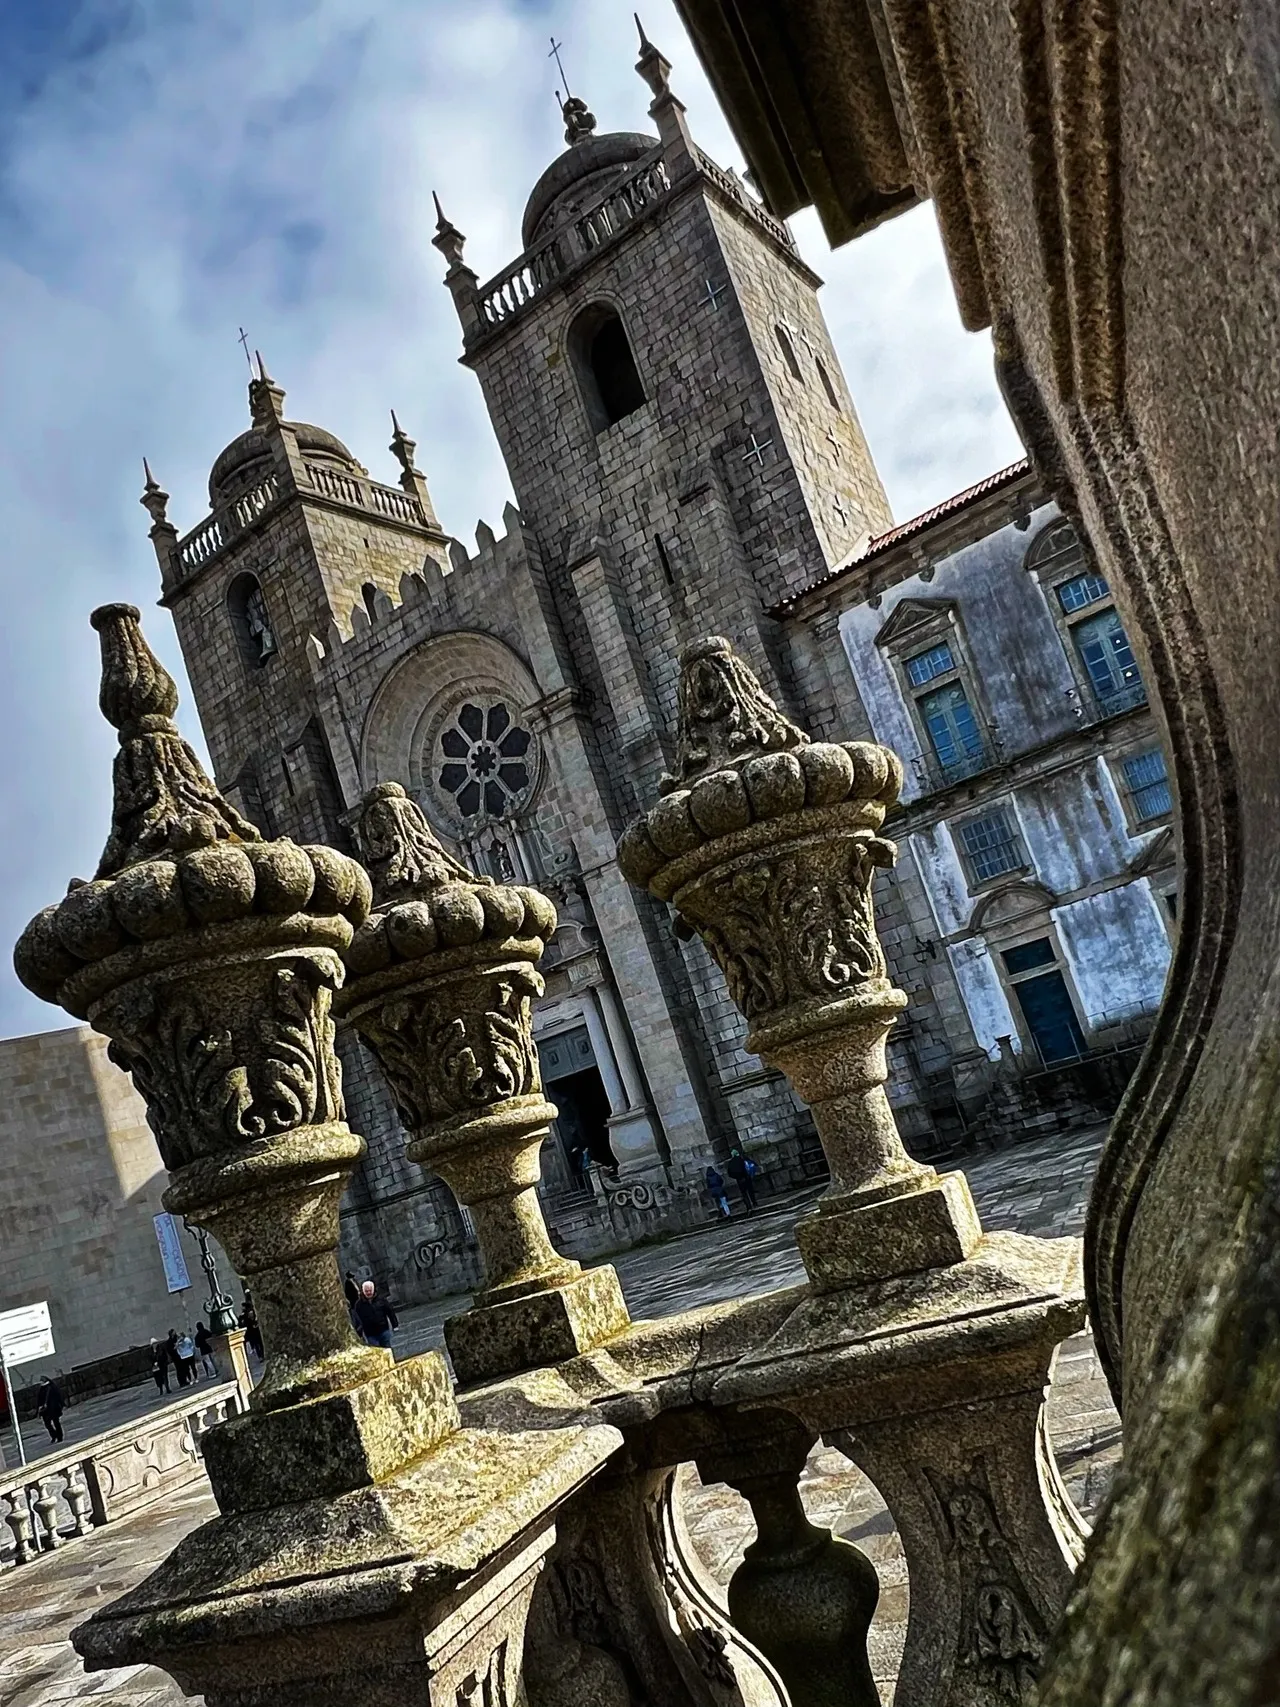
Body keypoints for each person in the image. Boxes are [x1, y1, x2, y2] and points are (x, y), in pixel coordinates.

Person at [353, 1280, 399, 1350]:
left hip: (383, 1329)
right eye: (366, 1291)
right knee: (377, 1350)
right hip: (370, 1333)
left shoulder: (381, 1300)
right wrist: (359, 1332)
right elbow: (357, 1319)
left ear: (373, 1290)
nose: (368, 1293)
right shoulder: (359, 1305)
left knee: (387, 1349)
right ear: (363, 1291)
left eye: (370, 1290)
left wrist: (395, 1325)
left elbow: (390, 1312)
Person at [726, 1147, 759, 1213]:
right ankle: (754, 1203)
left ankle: (748, 1207)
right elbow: (746, 1168)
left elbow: (729, 1173)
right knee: (750, 1191)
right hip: (746, 1177)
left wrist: (736, 1177)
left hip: (739, 1180)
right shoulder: (741, 1159)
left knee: (744, 1194)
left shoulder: (730, 1163)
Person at [36, 1376, 64, 1444]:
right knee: (48, 1424)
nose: (40, 1382)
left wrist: (61, 1404)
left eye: (41, 1381)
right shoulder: (42, 1389)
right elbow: (39, 1399)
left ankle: (59, 1436)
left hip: (53, 1408)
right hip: (46, 1410)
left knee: (56, 1423)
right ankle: (55, 1435)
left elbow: (58, 1396)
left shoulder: (51, 1387)